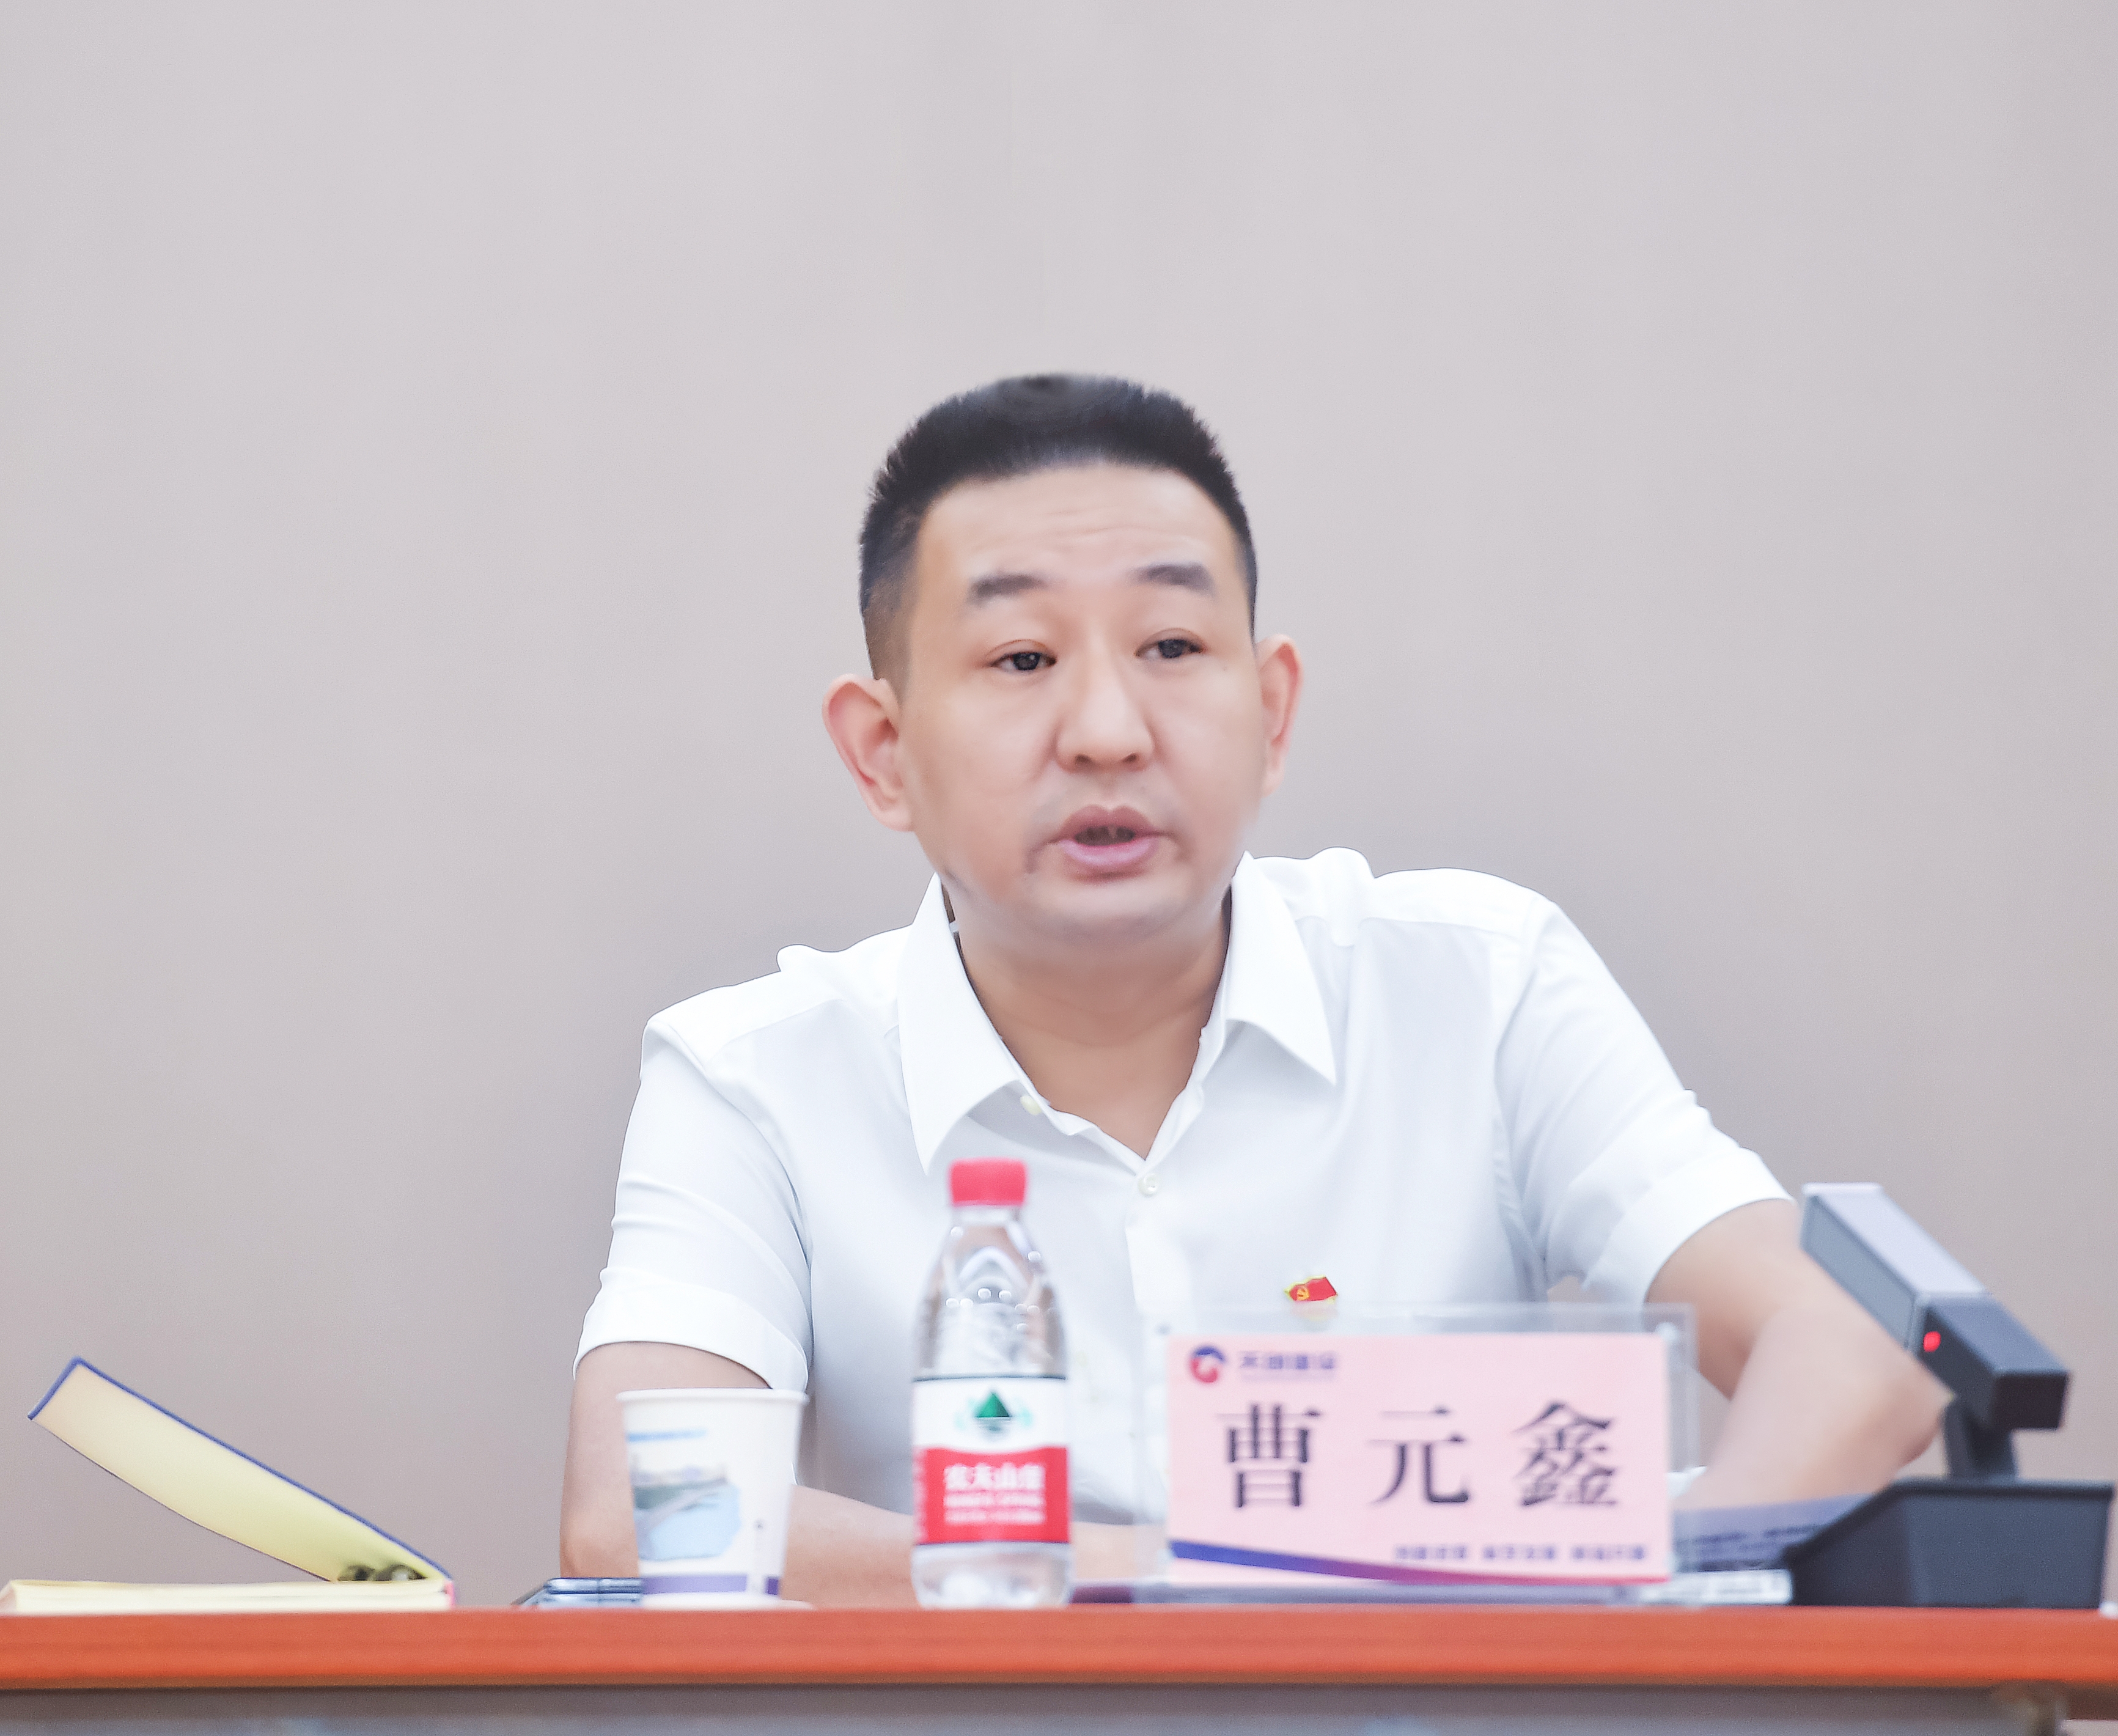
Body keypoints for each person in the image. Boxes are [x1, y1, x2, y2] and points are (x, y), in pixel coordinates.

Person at [559, 375, 1943, 1603]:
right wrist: (1212, 1574)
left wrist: (1656, 1584)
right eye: (1021, 659)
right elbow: (638, 1507)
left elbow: (1848, 1358)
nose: (1108, 732)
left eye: (1170, 648)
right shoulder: (752, 1074)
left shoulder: (1478, 986)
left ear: (1270, 714)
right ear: (882, 754)